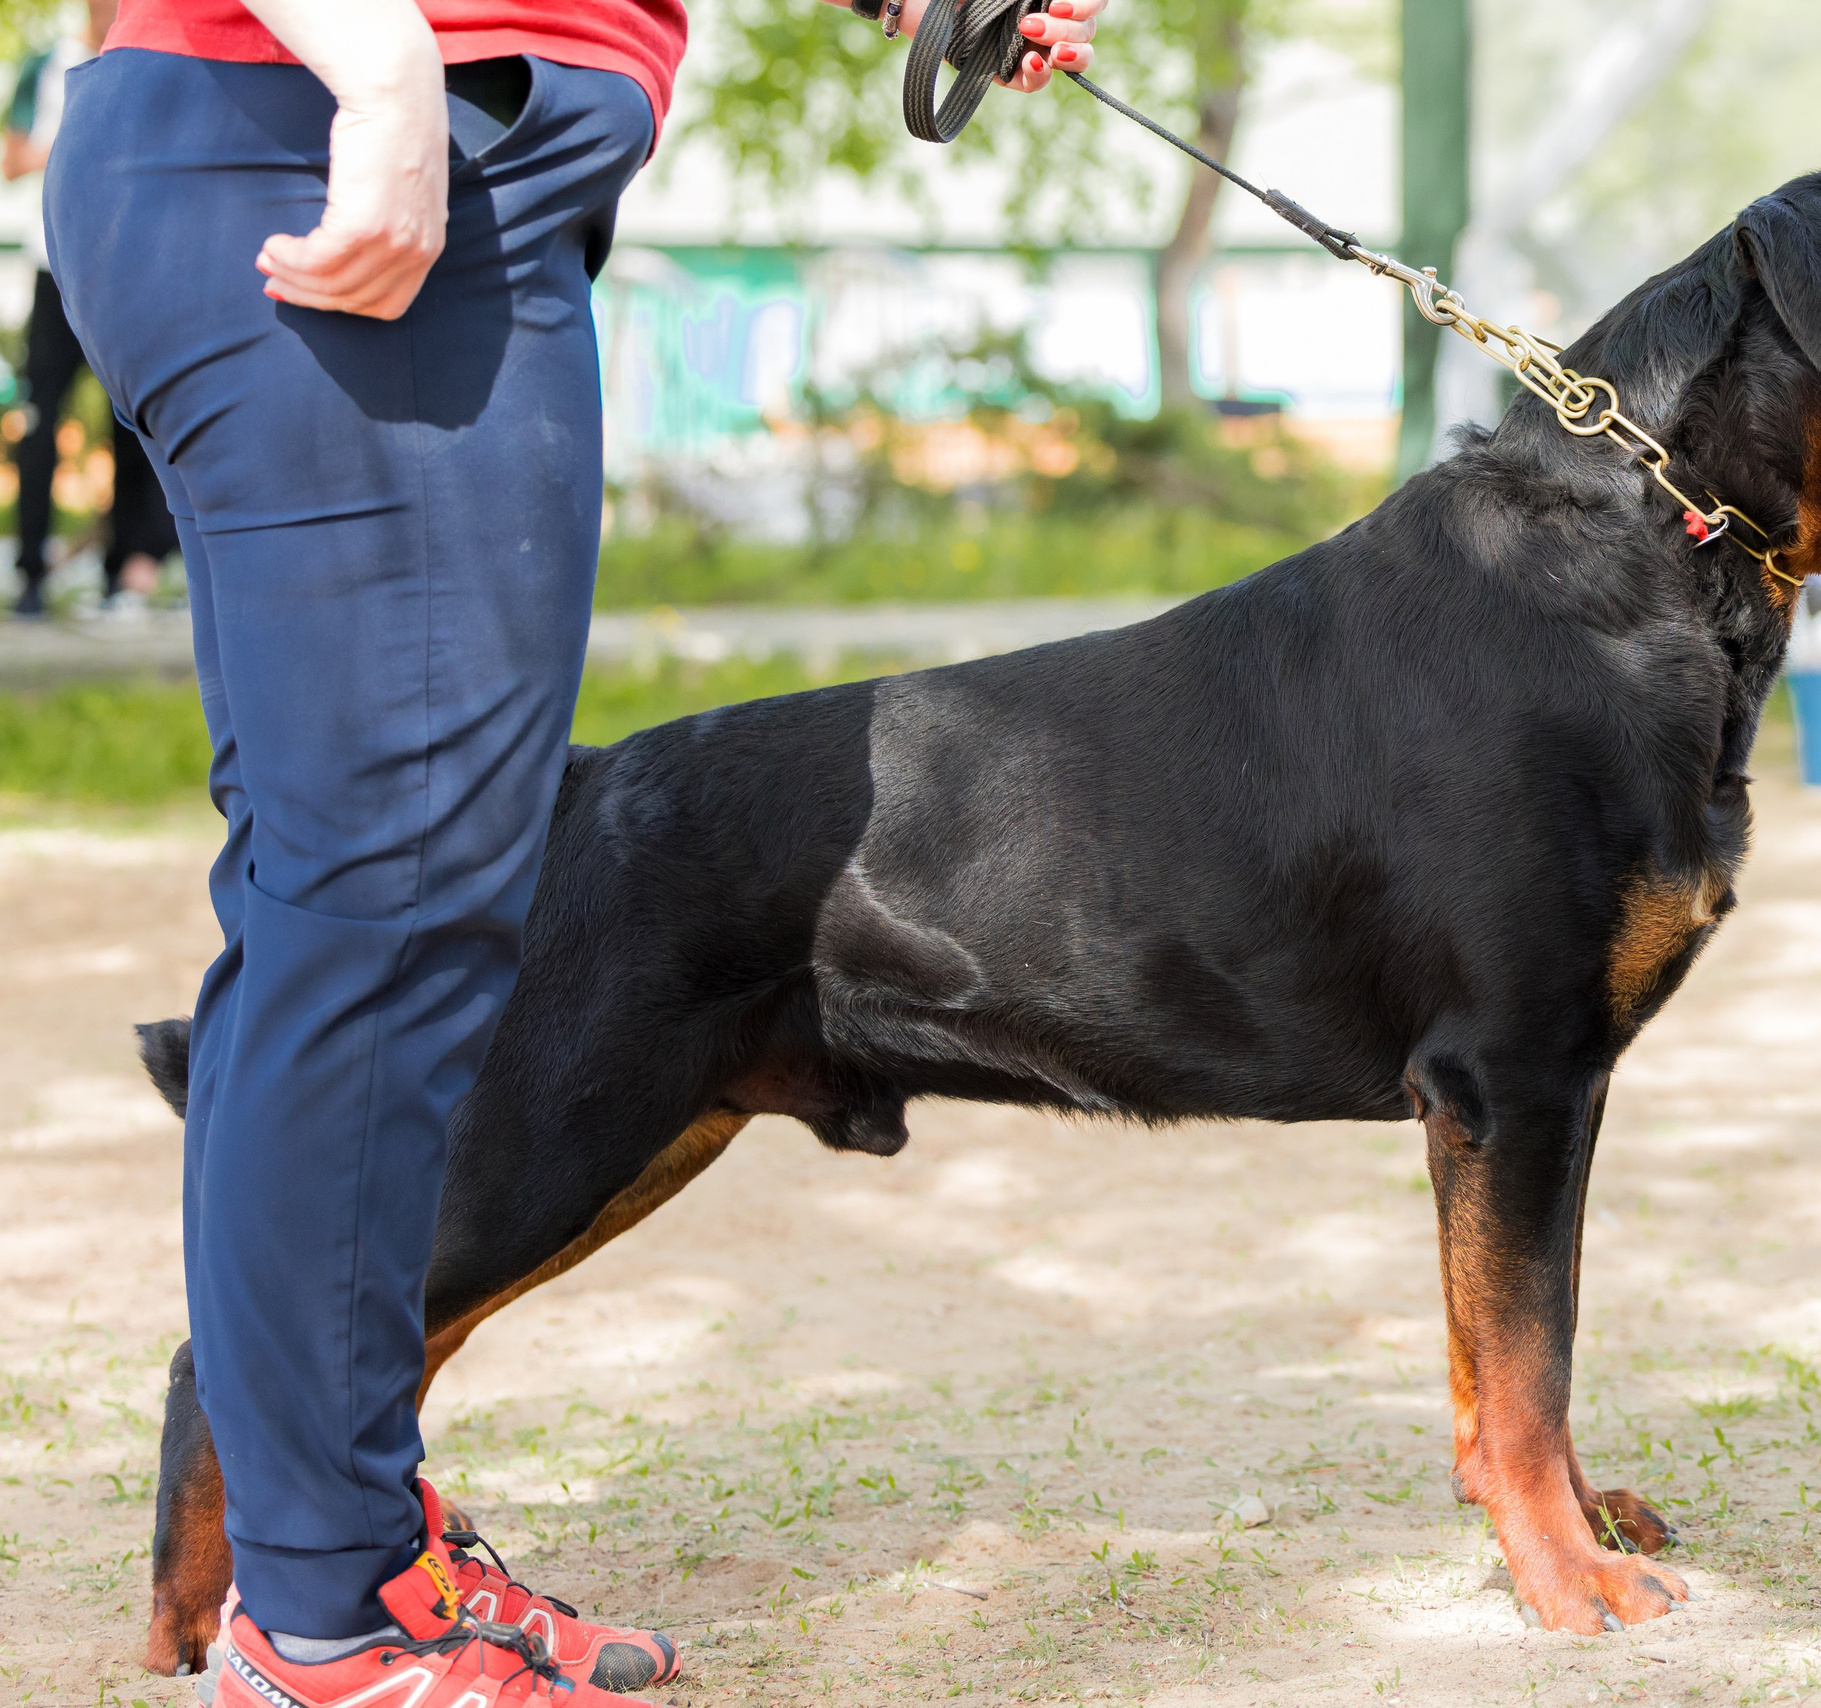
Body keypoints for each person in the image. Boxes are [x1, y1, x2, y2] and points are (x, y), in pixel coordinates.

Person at [45, 0, 1105, 1700]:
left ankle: (348, 1546)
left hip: (444, 152)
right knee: (380, 904)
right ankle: (321, 1620)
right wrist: (382, 66)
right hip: (331, 113)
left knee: (388, 893)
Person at [4, 0, 179, 619]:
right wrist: (85, 140)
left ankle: (124, 572)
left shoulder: (150, 52)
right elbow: (13, 157)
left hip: (129, 269)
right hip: (56, 271)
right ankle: (30, 574)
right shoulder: (47, 66)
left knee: (132, 422)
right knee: (41, 421)